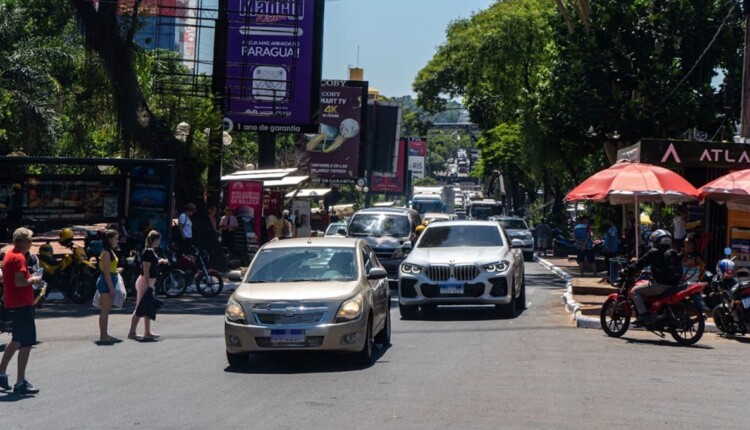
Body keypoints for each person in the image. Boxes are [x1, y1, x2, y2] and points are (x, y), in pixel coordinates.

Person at [0, 227, 43, 395]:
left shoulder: (9, 255)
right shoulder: (19, 258)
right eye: (31, 241)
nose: (31, 244)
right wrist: (33, 280)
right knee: (27, 342)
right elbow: (19, 282)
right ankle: (20, 382)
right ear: (26, 242)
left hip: (13, 303)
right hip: (21, 304)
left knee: (17, 339)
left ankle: (2, 372)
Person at [625, 229, 684, 324]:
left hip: (660, 285)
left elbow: (640, 264)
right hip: (674, 284)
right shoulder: (673, 252)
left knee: (634, 291)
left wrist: (627, 270)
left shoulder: (654, 252)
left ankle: (644, 315)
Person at [128, 230, 166, 341]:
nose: (159, 241)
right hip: (145, 281)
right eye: (158, 239)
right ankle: (132, 332)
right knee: (140, 307)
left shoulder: (152, 251)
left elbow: (153, 263)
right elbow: (146, 270)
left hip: (150, 281)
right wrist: (148, 285)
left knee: (148, 307)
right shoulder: (147, 252)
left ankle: (147, 331)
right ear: (155, 240)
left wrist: (161, 261)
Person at [97, 229, 122, 344]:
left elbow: (110, 269)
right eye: (116, 239)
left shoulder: (109, 251)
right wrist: (111, 288)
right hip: (107, 281)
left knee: (106, 310)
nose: (117, 241)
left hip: (111, 278)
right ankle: (103, 335)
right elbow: (106, 272)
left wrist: (117, 270)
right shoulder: (106, 253)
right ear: (110, 240)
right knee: (105, 311)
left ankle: (105, 334)